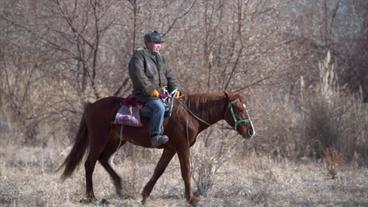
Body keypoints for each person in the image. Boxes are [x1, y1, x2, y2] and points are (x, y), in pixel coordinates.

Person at [128, 31, 182, 147]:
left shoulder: (161, 58)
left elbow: (170, 75)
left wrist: (176, 89)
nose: (159, 45)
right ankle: (155, 136)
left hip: (162, 93)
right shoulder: (138, 56)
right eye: (156, 43)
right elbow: (138, 76)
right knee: (159, 108)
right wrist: (150, 89)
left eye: (160, 43)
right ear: (147, 43)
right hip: (144, 94)